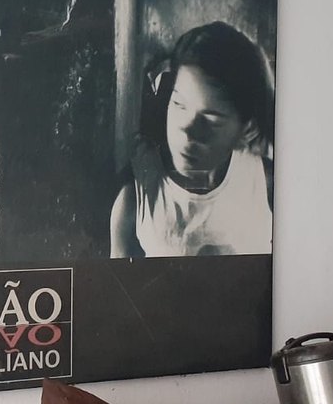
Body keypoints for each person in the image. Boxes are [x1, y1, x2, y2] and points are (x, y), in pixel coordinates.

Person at [110, 21, 274, 258]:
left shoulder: (265, 185)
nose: (187, 130)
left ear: (246, 129)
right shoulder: (137, 194)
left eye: (211, 119)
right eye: (179, 104)